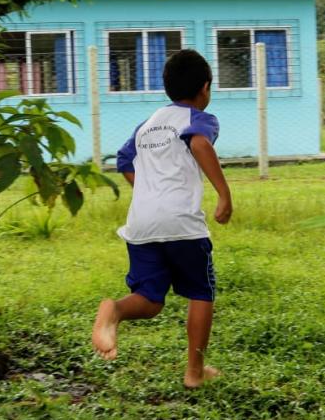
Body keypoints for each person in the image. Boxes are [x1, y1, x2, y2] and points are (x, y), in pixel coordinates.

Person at [92, 49, 233, 389]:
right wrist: (224, 194)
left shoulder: (148, 124)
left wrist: (148, 192)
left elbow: (124, 160)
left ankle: (114, 310)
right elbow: (199, 144)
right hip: (182, 225)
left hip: (141, 224)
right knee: (201, 292)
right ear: (205, 88)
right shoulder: (200, 118)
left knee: (151, 300)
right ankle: (194, 372)